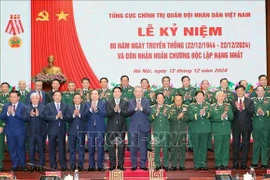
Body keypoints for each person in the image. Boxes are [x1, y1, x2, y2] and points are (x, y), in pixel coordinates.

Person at [0, 90, 28, 171]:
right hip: (9, 132)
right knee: (12, 149)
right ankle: (15, 164)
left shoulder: (23, 106)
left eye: (14, 97)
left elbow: (25, 118)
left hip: (20, 131)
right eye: (11, 97)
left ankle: (22, 165)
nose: (12, 98)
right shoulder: (6, 106)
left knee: (21, 148)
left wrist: (14, 114)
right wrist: (7, 113)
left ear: (18, 97)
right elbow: (1, 117)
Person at [43, 90, 71, 171]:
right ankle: (53, 165)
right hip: (52, 130)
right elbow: (45, 117)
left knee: (62, 149)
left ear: (61, 97)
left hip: (61, 130)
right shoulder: (48, 106)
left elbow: (69, 117)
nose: (57, 97)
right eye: (56, 95)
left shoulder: (65, 106)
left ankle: (63, 165)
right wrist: (55, 117)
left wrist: (62, 117)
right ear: (53, 97)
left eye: (59, 95)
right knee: (52, 149)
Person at [128, 86, 151, 171]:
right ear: (134, 93)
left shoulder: (146, 101)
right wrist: (135, 109)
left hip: (143, 127)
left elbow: (148, 112)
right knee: (133, 147)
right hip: (133, 128)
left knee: (143, 147)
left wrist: (141, 108)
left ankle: (143, 165)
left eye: (140, 91)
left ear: (142, 92)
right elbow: (128, 113)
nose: (138, 93)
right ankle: (134, 165)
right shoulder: (130, 102)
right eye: (136, 91)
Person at [231, 85, 254, 170]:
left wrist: (244, 108)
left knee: (245, 145)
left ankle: (244, 164)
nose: (240, 92)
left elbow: (252, 112)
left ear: (244, 91)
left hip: (246, 126)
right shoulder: (232, 101)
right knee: (235, 145)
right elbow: (231, 113)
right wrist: (236, 109)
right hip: (236, 126)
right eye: (238, 90)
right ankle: (235, 164)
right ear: (236, 92)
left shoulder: (249, 101)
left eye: (241, 90)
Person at [83, 90, 107, 172]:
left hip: (100, 128)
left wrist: (96, 110)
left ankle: (100, 165)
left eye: (95, 94)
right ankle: (91, 165)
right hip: (90, 128)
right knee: (91, 147)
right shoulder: (86, 104)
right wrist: (90, 110)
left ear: (98, 95)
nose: (94, 95)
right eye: (92, 94)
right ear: (90, 95)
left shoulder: (103, 103)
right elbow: (84, 117)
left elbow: (105, 114)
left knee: (100, 147)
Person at [187, 91, 211, 171]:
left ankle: (203, 164)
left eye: (202, 96)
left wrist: (204, 113)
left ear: (204, 97)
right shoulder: (191, 106)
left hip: (205, 129)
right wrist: (199, 114)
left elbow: (211, 115)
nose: (200, 97)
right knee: (196, 147)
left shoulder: (207, 105)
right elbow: (190, 116)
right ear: (195, 97)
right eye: (198, 96)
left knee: (204, 148)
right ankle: (197, 165)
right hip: (196, 129)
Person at [106, 87, 129, 171]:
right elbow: (107, 114)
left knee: (121, 147)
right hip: (111, 127)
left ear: (121, 93)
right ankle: (112, 165)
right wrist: (113, 110)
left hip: (121, 127)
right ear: (113, 93)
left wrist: (119, 110)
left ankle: (120, 165)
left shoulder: (125, 102)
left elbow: (126, 113)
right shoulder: (109, 102)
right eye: (115, 91)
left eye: (118, 91)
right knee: (111, 146)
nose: (116, 93)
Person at [210, 91, 233, 170]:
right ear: (216, 97)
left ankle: (225, 164)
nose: (221, 97)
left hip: (226, 130)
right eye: (219, 96)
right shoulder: (212, 106)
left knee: (226, 148)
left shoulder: (228, 106)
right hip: (217, 130)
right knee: (218, 148)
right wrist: (220, 117)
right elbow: (211, 118)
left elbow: (232, 117)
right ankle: (218, 164)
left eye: (223, 96)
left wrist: (226, 116)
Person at [23, 93, 46, 172]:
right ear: (30, 99)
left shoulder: (43, 107)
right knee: (31, 150)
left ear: (39, 99)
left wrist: (39, 115)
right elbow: (24, 118)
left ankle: (40, 165)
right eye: (33, 98)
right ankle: (32, 165)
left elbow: (46, 118)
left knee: (41, 149)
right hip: (30, 132)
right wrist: (30, 115)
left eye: (36, 98)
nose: (35, 99)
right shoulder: (26, 107)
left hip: (41, 132)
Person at [150, 93, 171, 171]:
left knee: (165, 148)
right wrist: (156, 114)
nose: (160, 100)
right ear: (156, 100)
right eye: (158, 98)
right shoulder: (152, 108)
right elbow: (150, 119)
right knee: (157, 148)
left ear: (164, 99)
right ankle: (157, 164)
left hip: (166, 131)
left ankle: (165, 164)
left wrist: (166, 114)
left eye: (161, 98)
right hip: (157, 131)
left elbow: (172, 118)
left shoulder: (168, 108)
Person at [251, 86, 270, 168]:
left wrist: (264, 113)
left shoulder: (268, 100)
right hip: (255, 125)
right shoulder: (252, 101)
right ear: (256, 92)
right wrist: (256, 113)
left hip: (266, 125)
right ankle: (254, 162)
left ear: (264, 91)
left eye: (262, 90)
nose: (260, 92)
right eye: (258, 90)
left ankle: (264, 163)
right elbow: (249, 111)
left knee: (265, 144)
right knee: (256, 144)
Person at [67, 93, 87, 171]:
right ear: (73, 99)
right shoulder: (70, 107)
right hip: (72, 131)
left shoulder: (84, 107)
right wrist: (73, 115)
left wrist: (79, 115)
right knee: (72, 149)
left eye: (78, 98)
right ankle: (72, 166)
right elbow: (67, 119)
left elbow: (86, 118)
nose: (76, 100)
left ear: (81, 100)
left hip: (81, 131)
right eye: (75, 98)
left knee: (81, 148)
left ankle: (80, 166)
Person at [170, 94, 188, 171]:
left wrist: (183, 117)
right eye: (176, 100)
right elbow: (169, 117)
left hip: (182, 131)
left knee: (182, 148)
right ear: (174, 100)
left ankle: (182, 165)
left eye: (179, 100)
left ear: (182, 100)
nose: (178, 101)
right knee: (173, 148)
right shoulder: (170, 107)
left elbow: (188, 118)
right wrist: (177, 117)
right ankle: (173, 165)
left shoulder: (186, 108)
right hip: (173, 131)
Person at [178, 76, 196, 152]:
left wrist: (190, 98)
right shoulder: (179, 90)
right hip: (182, 111)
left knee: (192, 129)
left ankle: (191, 145)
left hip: (191, 110)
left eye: (187, 81)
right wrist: (184, 98)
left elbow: (196, 99)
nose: (186, 82)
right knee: (182, 129)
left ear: (189, 81)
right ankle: (182, 145)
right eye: (184, 81)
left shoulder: (194, 90)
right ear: (182, 82)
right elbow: (177, 100)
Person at [118, 75, 134, 151]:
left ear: (128, 81)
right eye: (123, 81)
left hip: (129, 114)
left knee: (130, 130)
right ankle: (121, 145)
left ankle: (130, 146)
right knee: (121, 131)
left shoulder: (132, 89)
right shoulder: (117, 89)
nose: (124, 82)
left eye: (126, 81)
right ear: (121, 81)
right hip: (120, 114)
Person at [140, 78, 156, 152]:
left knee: (148, 130)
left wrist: (152, 98)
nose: (144, 84)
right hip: (139, 114)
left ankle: (148, 145)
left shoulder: (151, 92)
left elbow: (154, 103)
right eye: (142, 83)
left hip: (148, 113)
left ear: (148, 84)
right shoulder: (138, 92)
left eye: (145, 83)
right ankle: (140, 145)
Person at [201, 80, 215, 152]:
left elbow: (214, 102)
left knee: (209, 130)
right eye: (204, 84)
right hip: (200, 113)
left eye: (207, 84)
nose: (205, 85)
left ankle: (209, 146)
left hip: (209, 112)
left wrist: (209, 98)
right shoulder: (198, 93)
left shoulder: (212, 93)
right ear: (201, 85)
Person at [0, 102, 5, 172]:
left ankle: (0, 165)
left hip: (0, 129)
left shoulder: (2, 106)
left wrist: (2, 126)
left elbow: (4, 117)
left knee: (0, 148)